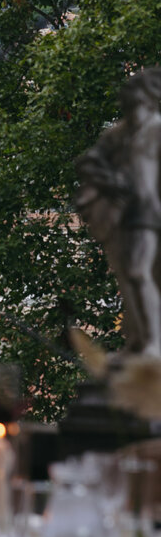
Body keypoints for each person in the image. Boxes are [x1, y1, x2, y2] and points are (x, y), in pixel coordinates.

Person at [76, 68, 161, 356]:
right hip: (130, 212)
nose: (130, 107)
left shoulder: (155, 128)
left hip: (149, 209)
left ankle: (153, 342)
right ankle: (141, 340)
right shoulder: (121, 133)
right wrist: (110, 181)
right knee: (130, 275)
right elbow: (89, 160)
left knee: (140, 272)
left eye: (136, 101)